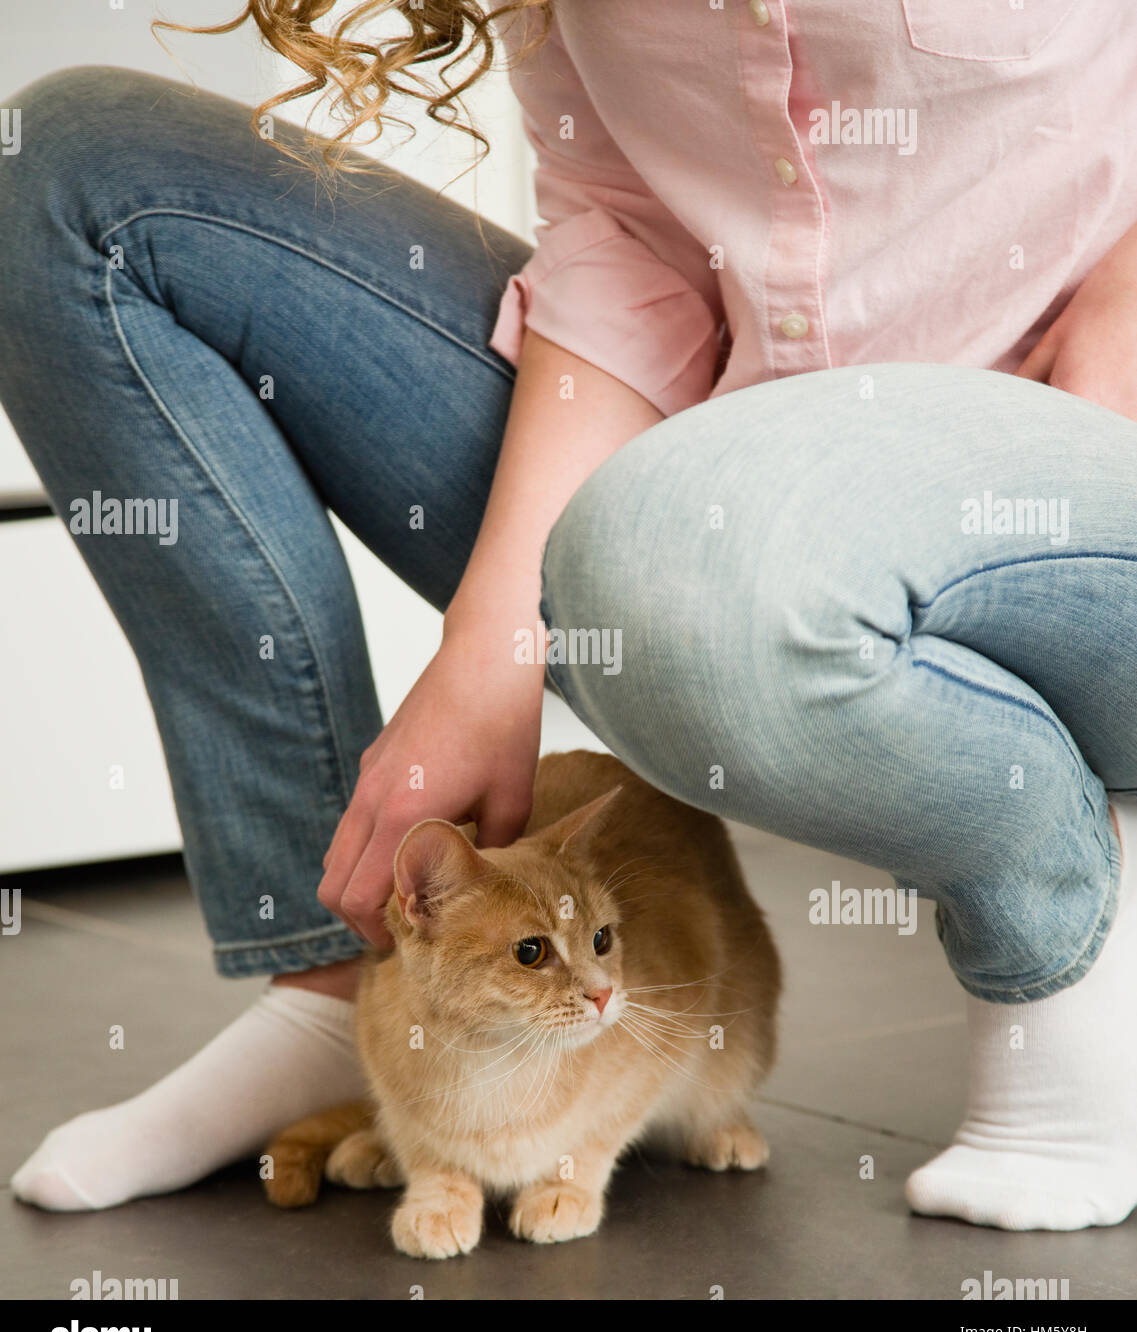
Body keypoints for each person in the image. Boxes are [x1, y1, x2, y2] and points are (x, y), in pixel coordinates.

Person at [2, 1, 1136, 1233]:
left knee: (669, 544)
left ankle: (1064, 916)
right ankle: (352, 984)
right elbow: (624, 232)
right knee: (69, 177)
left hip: (1072, 444)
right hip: (708, 464)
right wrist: (491, 640)